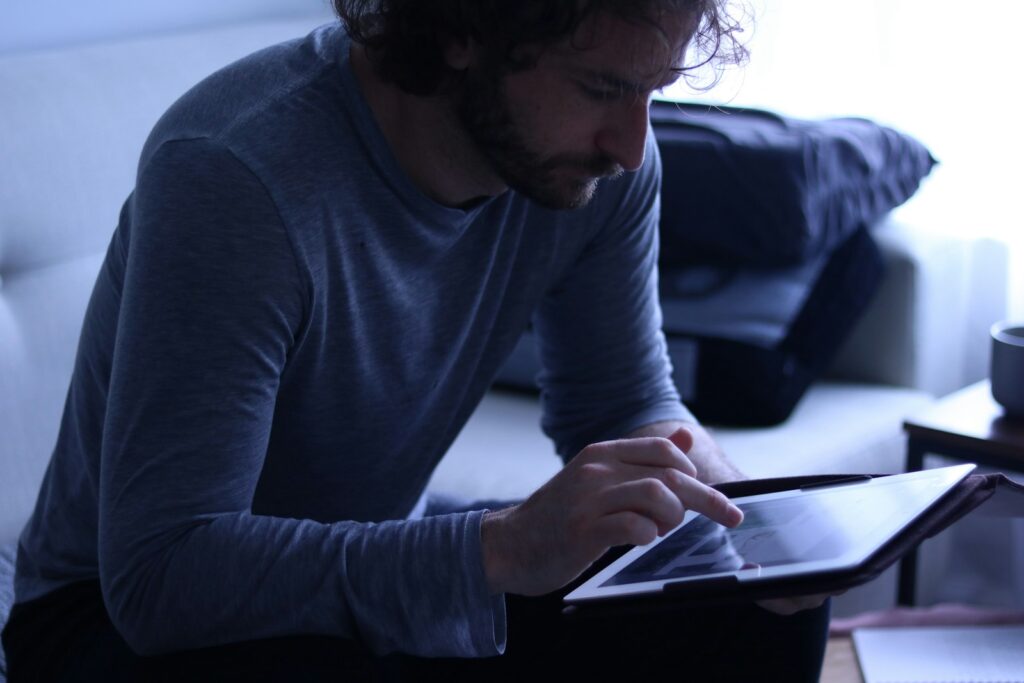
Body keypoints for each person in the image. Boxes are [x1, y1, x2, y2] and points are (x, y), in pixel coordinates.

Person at [2, 0, 830, 680]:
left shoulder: (602, 170)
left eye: (654, 90)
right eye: (600, 87)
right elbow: (163, 574)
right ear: (465, 29)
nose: (632, 144)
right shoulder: (238, 174)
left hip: (364, 557)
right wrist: (497, 548)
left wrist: (745, 518)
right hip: (107, 620)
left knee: (746, 604)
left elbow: (623, 403)